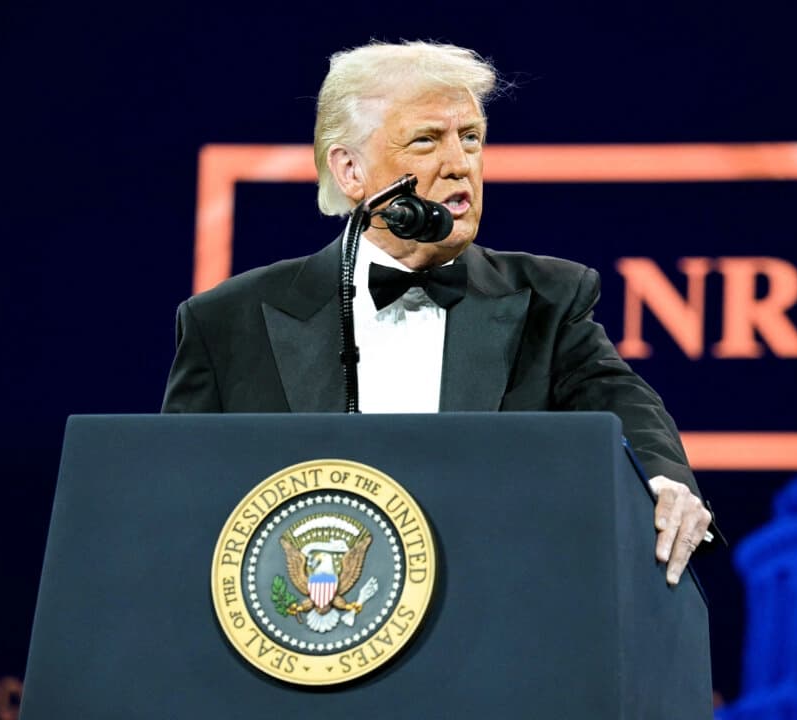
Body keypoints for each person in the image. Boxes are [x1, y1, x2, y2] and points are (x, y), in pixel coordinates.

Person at [162, 40, 715, 584]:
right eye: (426, 142)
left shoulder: (548, 300)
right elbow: (172, 508)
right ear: (351, 171)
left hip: (487, 633)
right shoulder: (228, 323)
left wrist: (663, 483)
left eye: (471, 138)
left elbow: (623, 403)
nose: (459, 165)